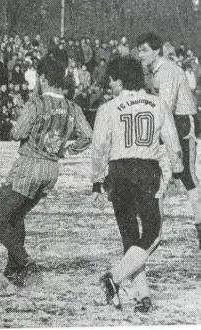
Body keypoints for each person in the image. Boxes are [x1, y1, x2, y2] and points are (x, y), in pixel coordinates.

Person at [0, 57, 93, 287]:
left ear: (43, 78)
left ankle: (26, 264)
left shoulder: (36, 104)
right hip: (51, 169)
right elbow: (88, 136)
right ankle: (12, 271)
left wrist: (15, 124)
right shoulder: (72, 107)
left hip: (29, 166)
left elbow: (17, 133)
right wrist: (68, 148)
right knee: (16, 216)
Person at [91, 56, 183, 312]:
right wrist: (176, 173)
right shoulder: (157, 104)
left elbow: (99, 149)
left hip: (118, 173)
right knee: (152, 235)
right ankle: (115, 277)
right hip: (146, 171)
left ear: (119, 81)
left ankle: (142, 296)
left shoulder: (107, 109)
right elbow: (173, 145)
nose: (109, 86)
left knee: (130, 236)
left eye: (110, 81)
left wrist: (97, 183)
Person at [137, 33, 201, 249]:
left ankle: (200, 224)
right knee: (161, 174)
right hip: (170, 119)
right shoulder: (156, 71)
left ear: (157, 50)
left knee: (187, 176)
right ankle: (154, 228)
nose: (140, 54)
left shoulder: (167, 71)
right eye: (139, 50)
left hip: (181, 121)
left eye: (144, 50)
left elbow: (165, 107)